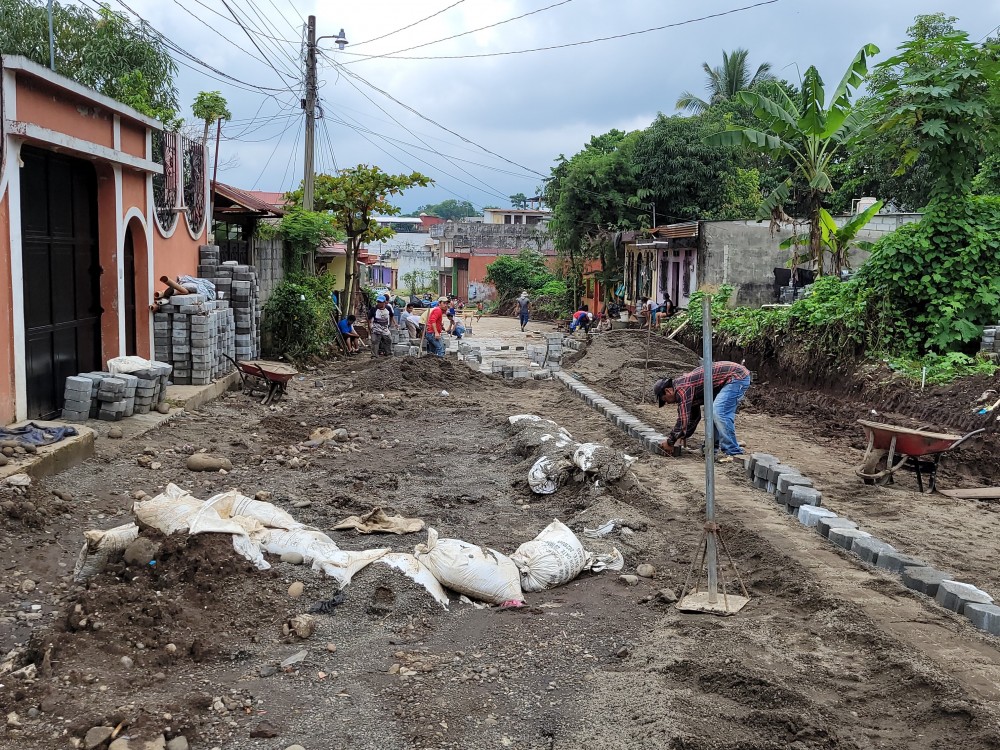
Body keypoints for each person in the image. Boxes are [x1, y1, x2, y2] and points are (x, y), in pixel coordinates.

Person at [654, 361, 751, 462]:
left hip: (736, 376)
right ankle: (708, 449)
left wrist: (670, 441)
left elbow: (683, 420)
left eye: (665, 400)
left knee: (719, 412)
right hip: (726, 380)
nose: (668, 403)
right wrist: (681, 436)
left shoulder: (682, 389)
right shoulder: (685, 388)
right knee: (711, 414)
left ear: (668, 391)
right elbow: (693, 418)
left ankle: (733, 452)